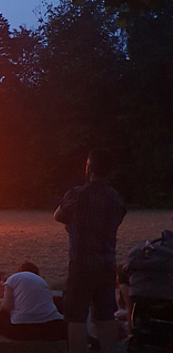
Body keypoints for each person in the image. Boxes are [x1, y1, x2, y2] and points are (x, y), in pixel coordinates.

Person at [54, 148, 126, 353]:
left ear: (89, 168)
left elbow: (58, 215)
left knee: (76, 318)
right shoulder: (116, 199)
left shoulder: (77, 194)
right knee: (105, 316)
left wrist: (74, 225)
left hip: (81, 264)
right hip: (106, 264)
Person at [0, 262, 65, 341]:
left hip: (23, 328)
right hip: (52, 326)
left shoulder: (13, 278)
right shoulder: (43, 281)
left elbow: (6, 307)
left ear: (20, 270)